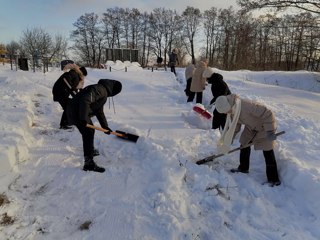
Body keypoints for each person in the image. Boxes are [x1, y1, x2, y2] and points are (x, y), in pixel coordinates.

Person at [215, 94, 281, 186]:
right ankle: (243, 168)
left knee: (267, 150)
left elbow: (268, 113)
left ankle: (274, 179)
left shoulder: (246, 106)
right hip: (251, 127)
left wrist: (270, 131)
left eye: (226, 111)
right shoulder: (232, 111)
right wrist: (228, 140)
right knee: (244, 143)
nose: (226, 114)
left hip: (265, 127)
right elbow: (234, 127)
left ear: (228, 106)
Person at [67, 79, 122, 173]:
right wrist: (83, 118)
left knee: (88, 132)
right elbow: (85, 100)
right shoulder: (101, 90)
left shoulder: (101, 90)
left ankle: (90, 150)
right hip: (77, 113)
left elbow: (99, 110)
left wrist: (105, 127)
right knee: (88, 132)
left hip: (75, 111)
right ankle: (89, 163)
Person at [52, 64, 87, 129]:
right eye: (83, 76)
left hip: (61, 92)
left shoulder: (76, 76)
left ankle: (66, 122)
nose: (83, 78)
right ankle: (64, 124)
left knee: (69, 106)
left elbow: (74, 89)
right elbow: (66, 79)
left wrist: (78, 96)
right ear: (82, 73)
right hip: (60, 92)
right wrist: (71, 89)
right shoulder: (74, 74)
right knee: (68, 107)